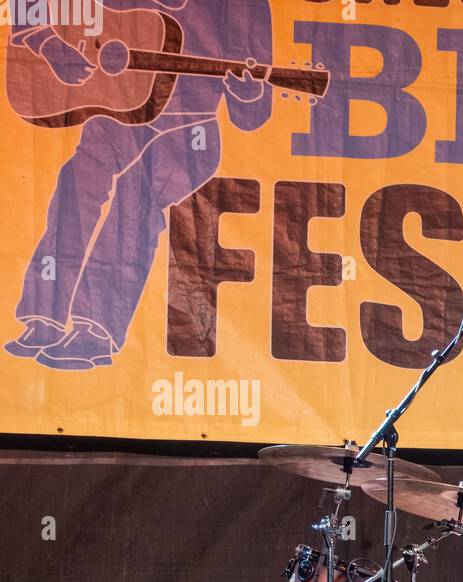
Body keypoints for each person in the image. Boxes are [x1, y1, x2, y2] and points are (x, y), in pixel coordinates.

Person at [5, 0, 274, 370]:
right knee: (75, 183)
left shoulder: (245, 8)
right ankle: (43, 319)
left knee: (137, 193)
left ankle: (95, 331)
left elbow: (253, 116)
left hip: (190, 129)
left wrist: (249, 94)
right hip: (119, 114)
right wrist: (46, 42)